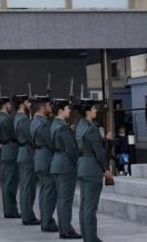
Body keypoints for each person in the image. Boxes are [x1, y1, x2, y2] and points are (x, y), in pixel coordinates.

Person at [76, 100, 110, 242]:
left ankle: (87, 237)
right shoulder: (92, 128)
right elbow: (99, 152)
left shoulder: (80, 126)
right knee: (90, 208)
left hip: (82, 166)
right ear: (88, 111)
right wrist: (106, 169)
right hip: (92, 169)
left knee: (84, 206)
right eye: (94, 109)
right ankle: (91, 238)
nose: (96, 111)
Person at [51, 99, 81, 240]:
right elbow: (71, 148)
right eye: (67, 108)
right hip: (65, 165)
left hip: (57, 163)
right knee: (66, 200)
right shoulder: (62, 127)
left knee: (61, 199)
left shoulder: (54, 124)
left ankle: (63, 229)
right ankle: (67, 229)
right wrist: (77, 164)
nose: (69, 111)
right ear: (61, 110)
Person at [32, 95, 58, 233]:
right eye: (48, 106)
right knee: (49, 191)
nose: (50, 108)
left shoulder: (34, 121)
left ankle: (44, 219)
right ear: (42, 107)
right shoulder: (44, 124)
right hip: (46, 158)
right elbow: (52, 143)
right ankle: (47, 221)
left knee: (44, 190)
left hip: (39, 157)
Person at [14, 95, 39, 226]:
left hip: (24, 153)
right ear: (22, 104)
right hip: (27, 153)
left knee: (26, 186)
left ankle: (27, 214)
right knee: (28, 187)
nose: (30, 104)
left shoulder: (18, 118)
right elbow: (31, 138)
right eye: (27, 102)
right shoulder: (23, 120)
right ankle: (28, 216)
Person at [0, 96, 21, 219]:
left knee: (7, 182)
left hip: (5, 150)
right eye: (9, 105)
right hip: (11, 151)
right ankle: (11, 210)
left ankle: (9, 209)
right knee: (10, 183)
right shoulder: (7, 120)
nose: (10, 107)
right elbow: (15, 136)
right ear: (5, 105)